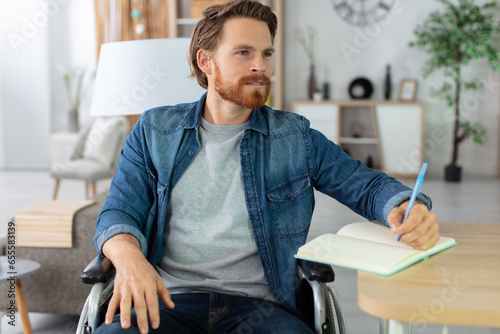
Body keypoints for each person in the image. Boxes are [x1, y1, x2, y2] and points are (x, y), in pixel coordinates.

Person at [93, 0, 439, 333]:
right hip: (167, 302)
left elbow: (366, 186)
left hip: (262, 309)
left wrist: (406, 205)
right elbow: (119, 211)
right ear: (206, 61)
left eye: (267, 53)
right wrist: (128, 256)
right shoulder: (155, 131)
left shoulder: (294, 136)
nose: (260, 65)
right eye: (244, 52)